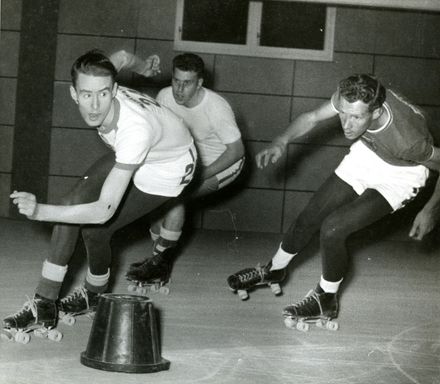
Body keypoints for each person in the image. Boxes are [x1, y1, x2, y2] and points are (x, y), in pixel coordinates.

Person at [4, 49, 197, 336]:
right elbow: (121, 56)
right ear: (73, 93)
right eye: (86, 95)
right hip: (151, 146)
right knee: (74, 205)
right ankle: (48, 302)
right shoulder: (105, 73)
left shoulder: (134, 132)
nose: (95, 105)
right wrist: (145, 66)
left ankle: (89, 296)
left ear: (115, 89)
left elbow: (104, 209)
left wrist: (39, 211)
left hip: (169, 168)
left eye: (104, 95)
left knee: (95, 229)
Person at [227, 74, 440, 328]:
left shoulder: (409, 141)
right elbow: (312, 117)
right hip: (369, 154)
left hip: (402, 172)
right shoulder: (354, 96)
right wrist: (282, 140)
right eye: (343, 114)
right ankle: (275, 269)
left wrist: (431, 208)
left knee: (333, 229)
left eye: (356, 117)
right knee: (310, 216)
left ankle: (326, 298)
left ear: (375, 112)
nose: (346, 125)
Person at [110, 51, 245, 284]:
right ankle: (158, 258)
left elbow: (236, 151)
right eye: (176, 81)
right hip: (187, 160)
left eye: (187, 83)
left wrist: (199, 175)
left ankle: (158, 263)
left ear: (200, 83)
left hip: (222, 164)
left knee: (175, 198)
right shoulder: (164, 96)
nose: (179, 90)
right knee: (154, 200)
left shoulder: (216, 107)